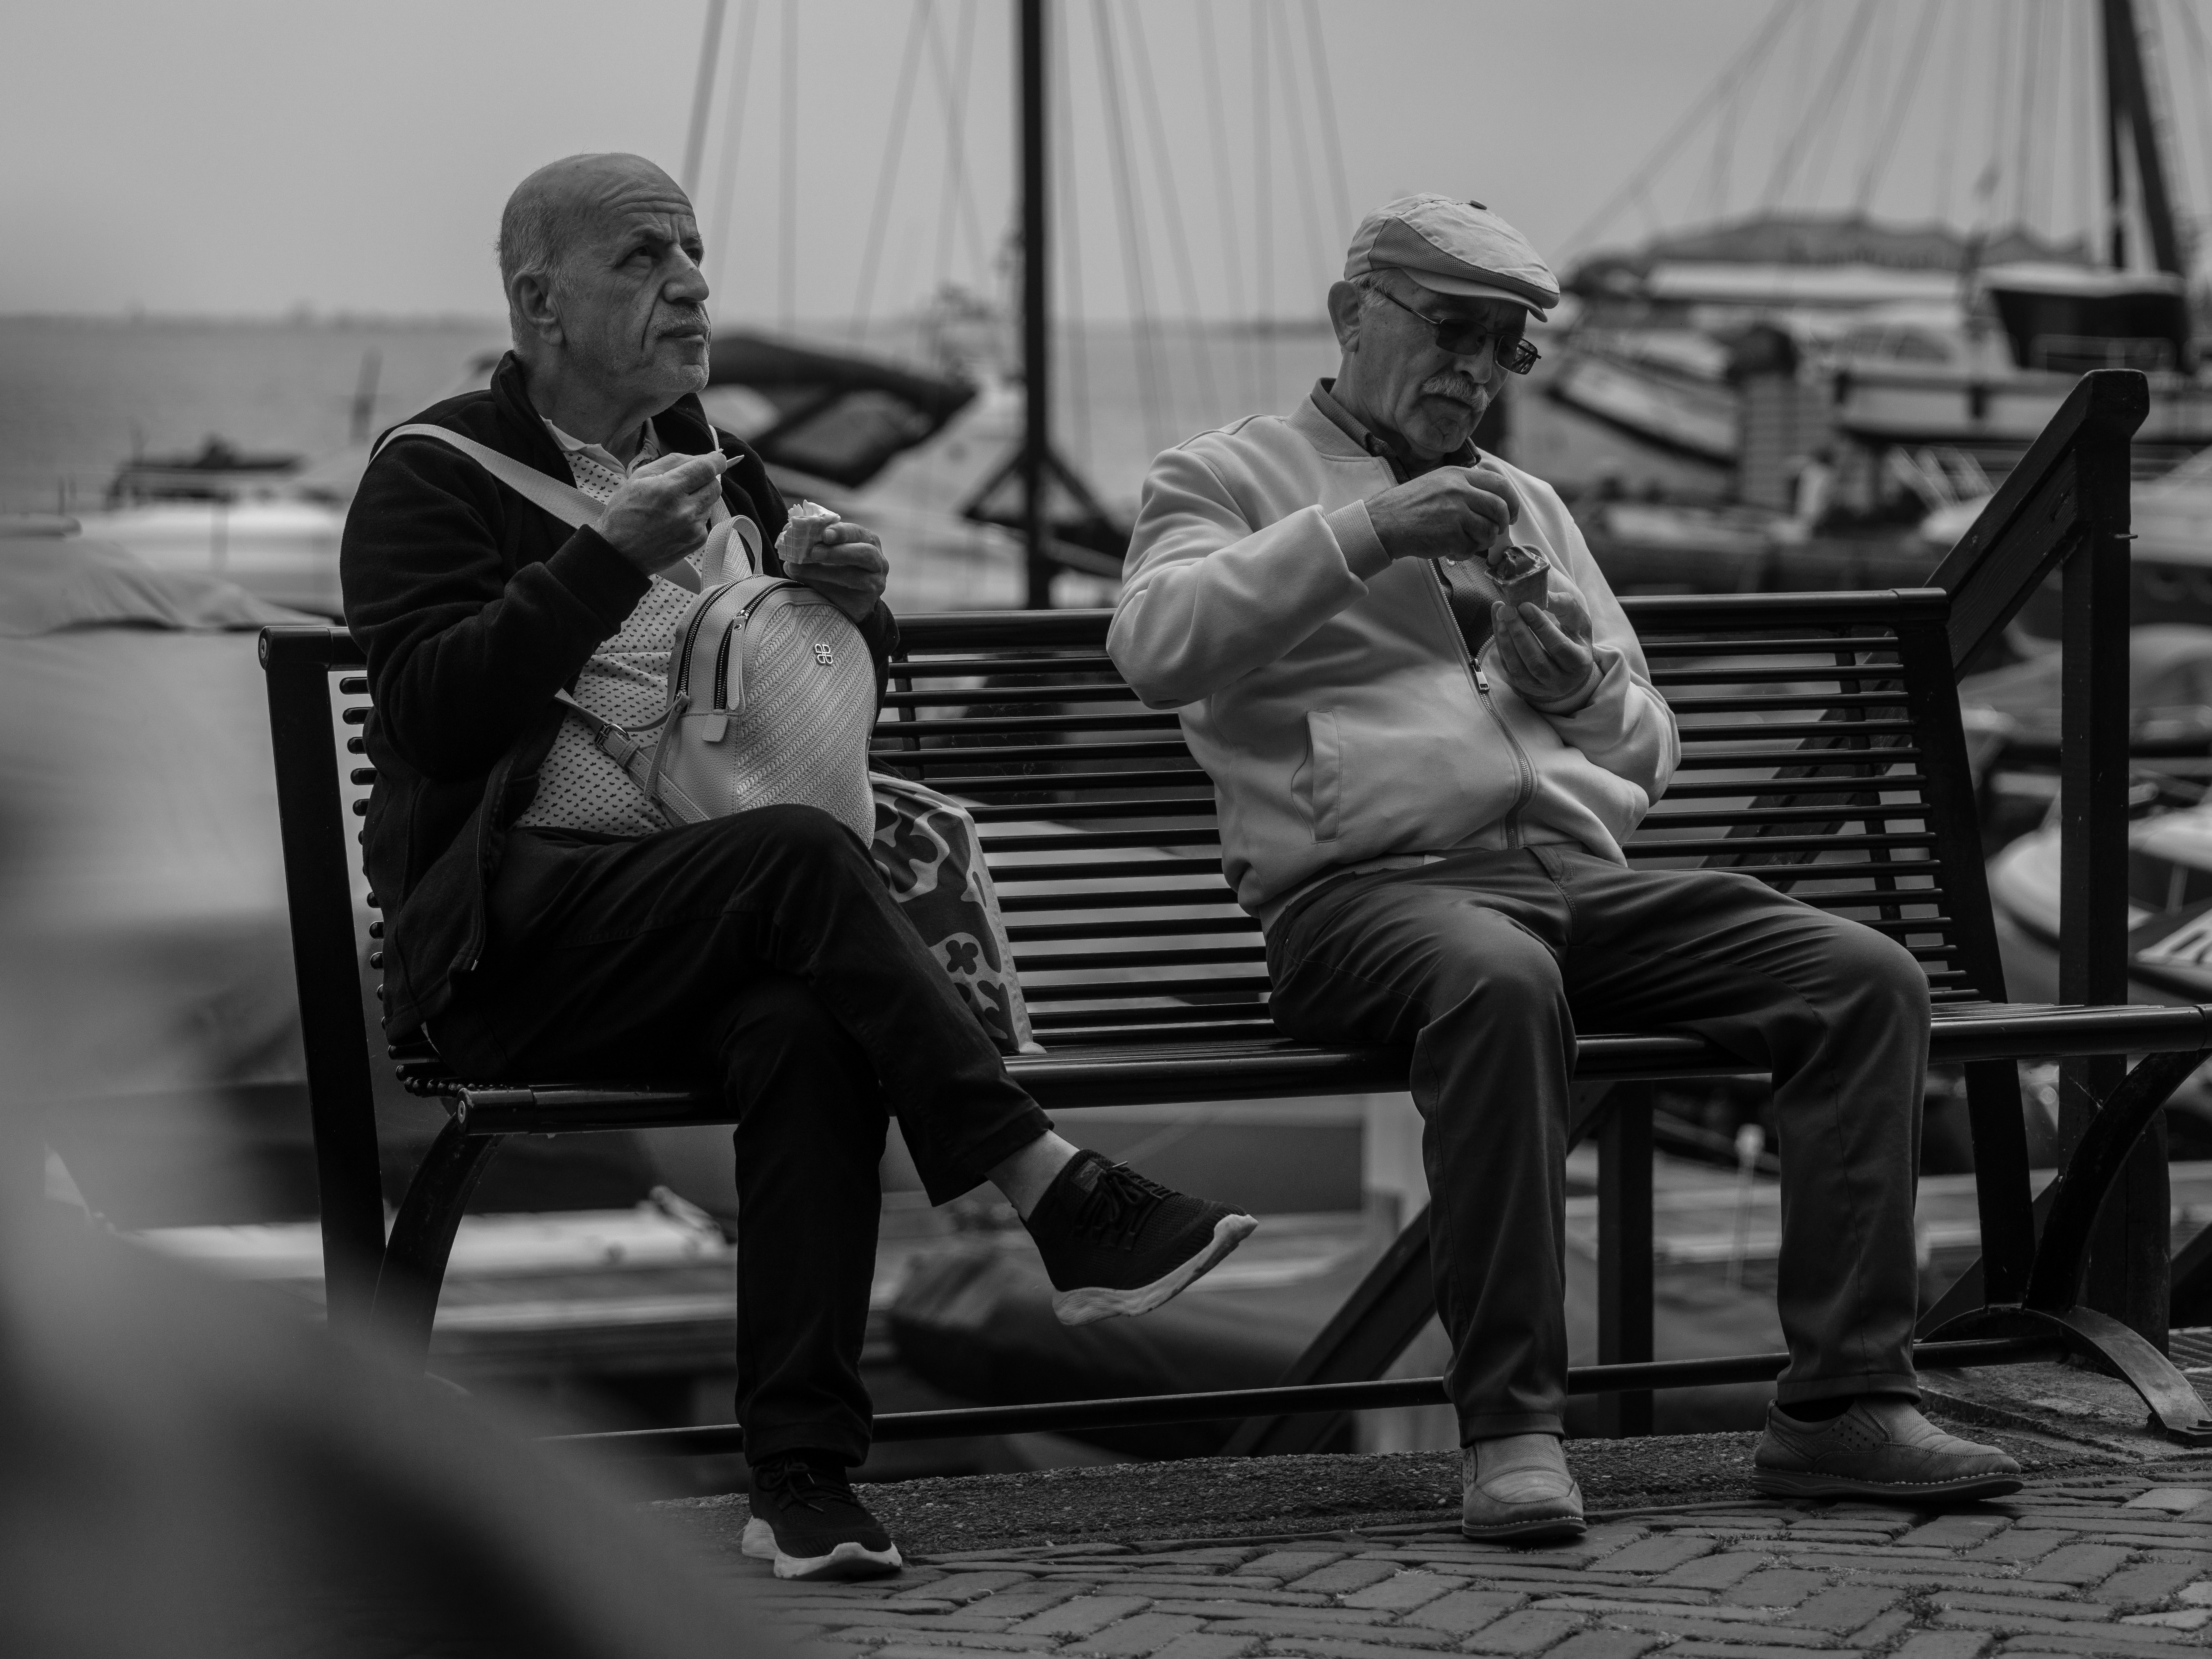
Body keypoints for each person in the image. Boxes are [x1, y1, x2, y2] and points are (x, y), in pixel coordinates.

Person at [341, 153, 1255, 1581]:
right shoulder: (431, 472)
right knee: (796, 865)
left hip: (700, 923)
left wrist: (859, 610)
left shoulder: (722, 467)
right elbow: (434, 713)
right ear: (541, 300)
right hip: (513, 954)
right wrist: (606, 557)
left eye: (694, 253)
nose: (692, 284)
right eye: (644, 259)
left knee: (805, 1022)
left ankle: (806, 1480)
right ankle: (1044, 1179)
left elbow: (790, 720)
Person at [1107, 194, 2019, 1542]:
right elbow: (1154, 646)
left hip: (1564, 881)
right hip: (1359, 901)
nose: (1478, 372)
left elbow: (1648, 748)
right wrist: (1371, 533)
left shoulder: (1530, 503)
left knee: (1861, 976)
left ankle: (1841, 1408)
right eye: (1454, 331)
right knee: (1498, 982)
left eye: (1507, 348)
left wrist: (1576, 684)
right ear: (1353, 313)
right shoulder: (1227, 477)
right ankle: (1513, 1430)